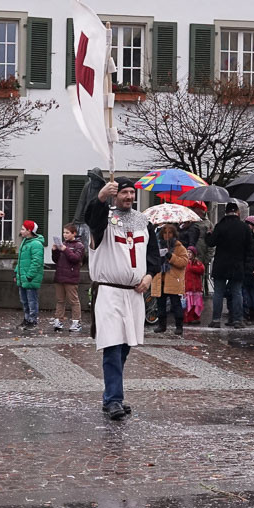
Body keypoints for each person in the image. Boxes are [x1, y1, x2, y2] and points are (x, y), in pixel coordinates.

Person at [85, 178, 159, 420]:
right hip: (109, 292)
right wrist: (100, 198)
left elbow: (153, 255)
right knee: (113, 345)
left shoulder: (143, 222)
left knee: (125, 346)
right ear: (116, 195)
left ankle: (111, 394)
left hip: (134, 294)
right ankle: (114, 399)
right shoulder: (104, 221)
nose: (128, 197)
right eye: (124, 192)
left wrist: (149, 276)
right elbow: (92, 221)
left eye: (131, 192)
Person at [206, 202, 250, 329]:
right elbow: (249, 247)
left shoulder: (220, 226)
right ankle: (237, 319)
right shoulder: (244, 227)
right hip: (237, 265)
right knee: (237, 292)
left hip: (221, 264)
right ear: (237, 212)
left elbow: (211, 243)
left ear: (225, 212)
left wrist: (209, 234)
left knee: (218, 293)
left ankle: (215, 320)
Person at [152, 224, 188, 335]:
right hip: (160, 279)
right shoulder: (157, 246)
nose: (167, 235)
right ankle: (162, 325)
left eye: (170, 233)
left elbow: (183, 262)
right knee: (161, 304)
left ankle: (179, 326)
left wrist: (170, 256)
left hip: (173, 279)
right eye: (165, 232)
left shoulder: (179, 247)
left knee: (176, 304)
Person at [51, 223, 85, 332]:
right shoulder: (63, 244)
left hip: (71, 277)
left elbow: (75, 259)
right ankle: (58, 320)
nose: (65, 235)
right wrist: (55, 250)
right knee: (60, 300)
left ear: (74, 233)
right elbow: (56, 260)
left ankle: (76, 321)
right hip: (60, 276)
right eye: (64, 232)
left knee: (74, 301)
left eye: (67, 233)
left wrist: (65, 249)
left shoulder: (79, 245)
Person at [15, 220, 45, 328]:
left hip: (29, 278)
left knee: (32, 300)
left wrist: (29, 275)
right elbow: (20, 261)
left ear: (29, 231)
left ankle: (32, 320)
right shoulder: (25, 242)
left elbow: (37, 262)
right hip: (24, 277)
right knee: (24, 300)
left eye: (23, 229)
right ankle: (27, 318)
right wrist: (16, 273)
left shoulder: (36, 244)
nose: (21, 231)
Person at [183, 247, 205, 325]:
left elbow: (201, 270)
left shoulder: (197, 263)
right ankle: (189, 318)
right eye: (187, 252)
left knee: (197, 305)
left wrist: (191, 267)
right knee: (189, 305)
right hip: (188, 288)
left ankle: (196, 318)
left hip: (196, 288)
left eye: (190, 252)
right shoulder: (185, 262)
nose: (188, 254)